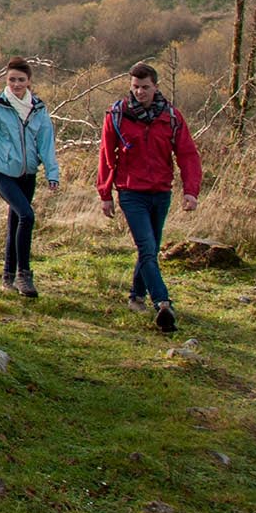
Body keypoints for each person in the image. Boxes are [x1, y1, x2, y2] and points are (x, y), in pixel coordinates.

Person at [95, 61, 202, 333]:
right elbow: (107, 156)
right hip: (131, 192)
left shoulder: (171, 117)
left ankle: (136, 296)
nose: (140, 92)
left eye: (145, 87)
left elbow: (187, 154)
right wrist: (105, 193)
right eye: (135, 87)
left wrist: (191, 190)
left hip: (161, 192)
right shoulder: (117, 115)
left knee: (151, 247)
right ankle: (163, 302)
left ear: (155, 87)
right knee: (147, 247)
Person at [0, 58, 59, 297]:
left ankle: (7, 277)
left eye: (21, 80)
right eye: (12, 79)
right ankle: (24, 276)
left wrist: (52, 173)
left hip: (27, 173)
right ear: (6, 80)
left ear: (29, 82)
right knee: (26, 215)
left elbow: (46, 143)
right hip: (0, 171)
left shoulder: (39, 109)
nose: (16, 84)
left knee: (15, 221)